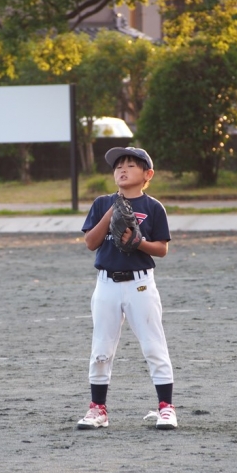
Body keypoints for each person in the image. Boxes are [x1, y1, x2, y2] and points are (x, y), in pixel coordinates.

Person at [77, 146, 177, 430]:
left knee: (153, 346)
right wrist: (113, 210)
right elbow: (90, 242)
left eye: (131, 165)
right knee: (101, 348)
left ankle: (166, 408)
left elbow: (161, 249)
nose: (122, 169)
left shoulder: (153, 207)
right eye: (118, 166)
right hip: (106, 284)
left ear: (148, 175)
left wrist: (138, 243)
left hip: (140, 285)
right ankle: (98, 409)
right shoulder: (102, 203)